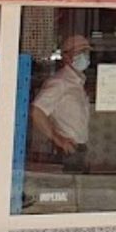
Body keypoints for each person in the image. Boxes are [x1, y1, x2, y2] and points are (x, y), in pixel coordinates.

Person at [32, 35, 92, 173]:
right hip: (66, 149)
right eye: (79, 52)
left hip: (78, 148)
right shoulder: (60, 82)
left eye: (86, 52)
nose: (84, 56)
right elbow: (37, 111)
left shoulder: (78, 82)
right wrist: (58, 139)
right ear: (66, 56)